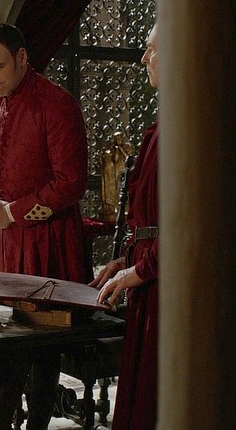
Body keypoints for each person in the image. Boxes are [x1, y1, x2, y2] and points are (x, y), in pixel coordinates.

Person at [0, 23, 88, 429]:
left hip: (47, 243)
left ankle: (37, 422)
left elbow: (71, 183)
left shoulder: (57, 104)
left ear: (22, 57)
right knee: (2, 341)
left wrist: (13, 212)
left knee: (41, 348)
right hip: (3, 244)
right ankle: (3, 419)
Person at [90, 23, 161, 430]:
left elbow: (185, 226)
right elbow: (150, 219)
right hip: (148, 278)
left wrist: (140, 270)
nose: (144, 57)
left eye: (152, 48)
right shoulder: (162, 125)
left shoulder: (192, 125)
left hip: (166, 289)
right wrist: (124, 260)